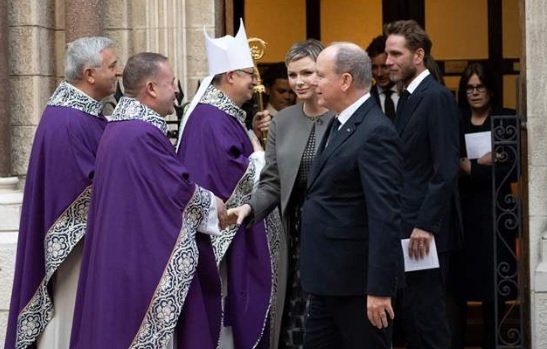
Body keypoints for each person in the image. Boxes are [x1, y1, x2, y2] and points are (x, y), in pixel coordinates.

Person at [68, 52, 227, 348]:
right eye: (172, 83)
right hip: (138, 261)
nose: (177, 91)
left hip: (123, 252)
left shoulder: (121, 126)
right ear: (151, 88)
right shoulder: (140, 133)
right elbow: (177, 190)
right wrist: (214, 205)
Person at [4, 36, 120, 349]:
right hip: (75, 253)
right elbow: (84, 189)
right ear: (90, 73)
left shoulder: (83, 114)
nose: (118, 73)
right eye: (112, 66)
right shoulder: (68, 120)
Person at [176, 20, 277, 349]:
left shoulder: (227, 114)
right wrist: (262, 159)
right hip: (221, 244)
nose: (255, 82)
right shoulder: (209, 119)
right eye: (249, 73)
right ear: (230, 75)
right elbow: (225, 176)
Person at [228, 39, 333, 349]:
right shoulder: (283, 122)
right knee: (297, 313)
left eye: (307, 73)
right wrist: (248, 208)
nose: (298, 82)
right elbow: (272, 181)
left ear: (324, 72)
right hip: (296, 231)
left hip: (337, 230)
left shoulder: (345, 118)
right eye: (293, 74)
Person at [301, 42, 403, 349]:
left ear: (345, 80)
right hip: (327, 280)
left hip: (358, 288)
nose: (311, 82)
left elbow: (385, 215)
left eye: (320, 75)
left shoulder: (375, 132)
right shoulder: (339, 122)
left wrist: (379, 289)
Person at [384, 19, 462, 349]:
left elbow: (445, 169)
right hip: (408, 226)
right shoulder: (410, 98)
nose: (388, 61)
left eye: (395, 54)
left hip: (424, 233)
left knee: (427, 317)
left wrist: (425, 225)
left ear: (419, 55)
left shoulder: (436, 97)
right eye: (386, 54)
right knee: (414, 316)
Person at [449, 62, 516, 349]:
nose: (474, 93)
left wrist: (471, 169)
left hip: (495, 216)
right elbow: (450, 164)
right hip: (462, 213)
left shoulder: (505, 120)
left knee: (494, 288)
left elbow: (511, 170)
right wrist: (486, 162)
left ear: (491, 89)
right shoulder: (456, 120)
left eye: (480, 87)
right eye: (469, 88)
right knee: (458, 290)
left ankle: (494, 343)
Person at [366, 35, 400, 120]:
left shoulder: (409, 94)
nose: (379, 73)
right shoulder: (366, 98)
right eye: (374, 67)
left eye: (384, 67)